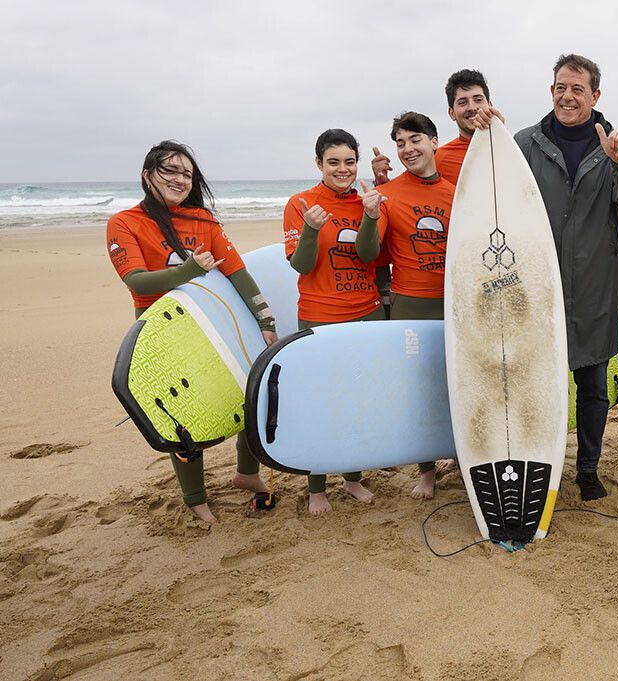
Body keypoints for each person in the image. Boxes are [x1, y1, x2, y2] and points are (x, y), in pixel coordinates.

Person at [106, 141, 276, 523]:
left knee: (243, 397)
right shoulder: (125, 223)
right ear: (147, 175)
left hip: (215, 323)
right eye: (170, 170)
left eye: (187, 173)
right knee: (182, 413)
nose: (180, 179)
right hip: (163, 331)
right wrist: (190, 270)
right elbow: (136, 280)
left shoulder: (204, 221)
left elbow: (238, 275)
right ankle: (195, 498)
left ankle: (246, 474)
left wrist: (265, 320)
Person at [514, 53, 618, 501]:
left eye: (577, 89)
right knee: (538, 381)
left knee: (592, 382)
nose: (567, 96)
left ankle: (587, 470)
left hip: (596, 282)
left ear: (595, 94)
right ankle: (545, 462)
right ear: (551, 90)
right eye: (560, 87)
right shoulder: (525, 143)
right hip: (538, 284)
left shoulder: (612, 144)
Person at [283, 129, 387, 515]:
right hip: (320, 315)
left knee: (359, 399)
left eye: (349, 162)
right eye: (333, 162)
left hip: (366, 310)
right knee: (322, 402)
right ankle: (316, 488)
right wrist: (310, 227)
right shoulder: (300, 203)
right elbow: (301, 264)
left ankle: (353, 478)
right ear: (319, 164)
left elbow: (369, 255)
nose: (342, 169)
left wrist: (372, 216)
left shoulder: (364, 201)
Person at [359, 111, 457, 500]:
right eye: (400, 143)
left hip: (455, 303)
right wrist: (369, 215)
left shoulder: (456, 192)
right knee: (420, 392)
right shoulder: (389, 194)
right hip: (410, 305)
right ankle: (427, 472)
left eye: (414, 139)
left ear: (434, 142)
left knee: (457, 385)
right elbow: (370, 254)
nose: (407, 148)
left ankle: (463, 458)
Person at [371, 69, 503, 187]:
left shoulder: (515, 146)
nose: (472, 108)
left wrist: (500, 135)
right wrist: (382, 184)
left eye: (478, 100)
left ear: (490, 104)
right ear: (451, 113)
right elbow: (411, 194)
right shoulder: (437, 159)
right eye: (463, 102)